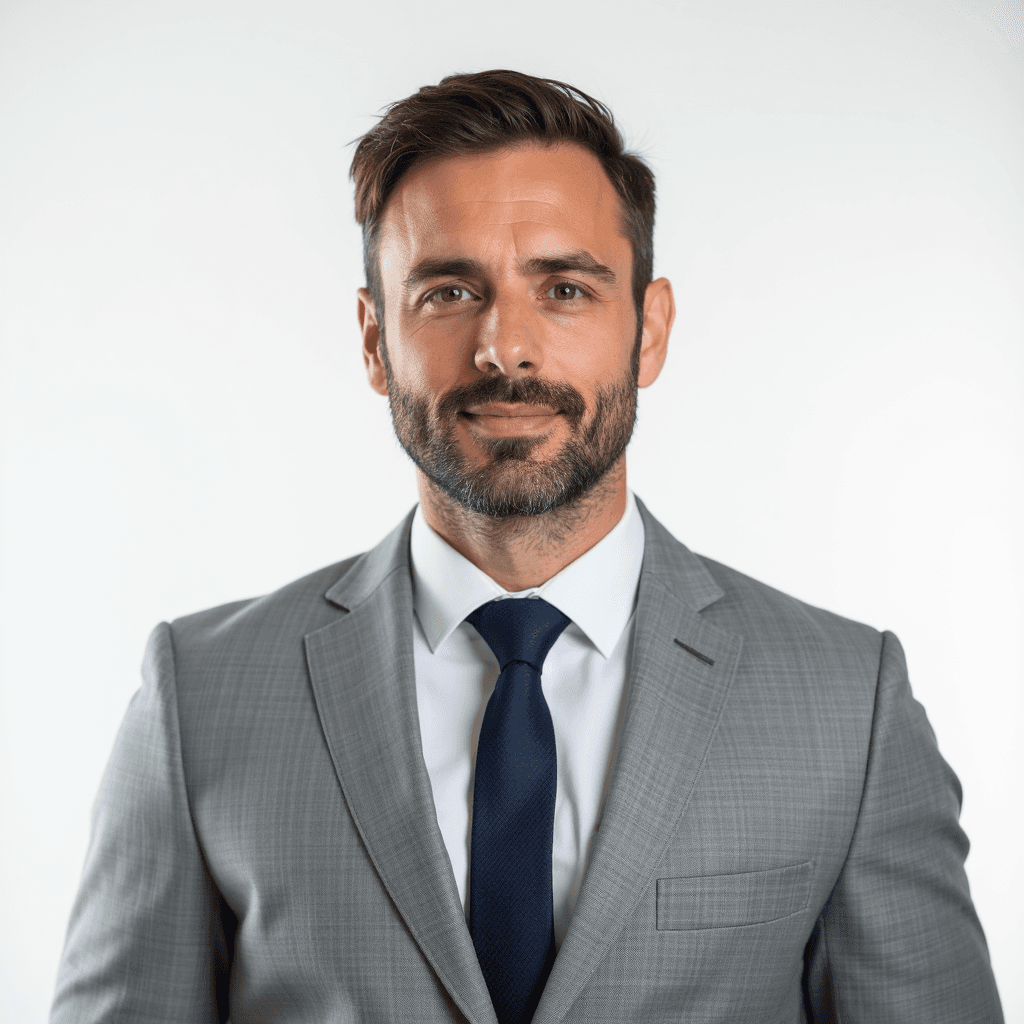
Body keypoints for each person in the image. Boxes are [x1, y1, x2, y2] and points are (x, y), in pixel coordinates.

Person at [50, 69, 1003, 1024]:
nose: (506, 347)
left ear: (651, 329)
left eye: (565, 289)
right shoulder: (201, 696)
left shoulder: (847, 703)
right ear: (376, 340)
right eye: (450, 289)